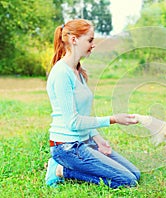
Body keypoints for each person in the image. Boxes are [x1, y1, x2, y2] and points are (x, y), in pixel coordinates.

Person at [45, 19, 140, 188]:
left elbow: (83, 116)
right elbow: (73, 122)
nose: (93, 44)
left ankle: (68, 166)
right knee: (128, 181)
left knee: (135, 174)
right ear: (74, 40)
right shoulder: (61, 73)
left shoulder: (79, 72)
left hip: (84, 142)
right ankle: (60, 169)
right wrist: (113, 119)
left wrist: (97, 138)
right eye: (89, 40)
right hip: (67, 148)